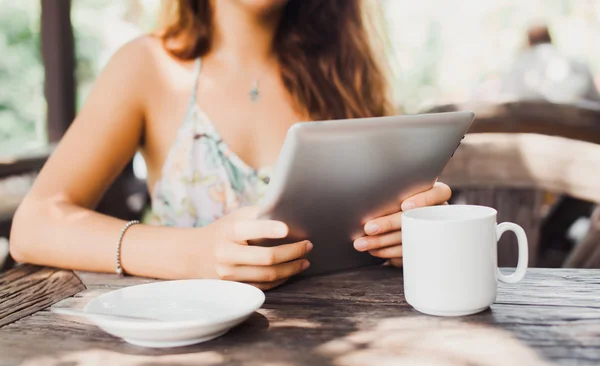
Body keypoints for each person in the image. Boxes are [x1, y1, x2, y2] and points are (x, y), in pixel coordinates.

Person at [10, 0, 451, 290]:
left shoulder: (345, 80)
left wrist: (410, 233)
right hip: (186, 352)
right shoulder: (146, 66)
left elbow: (377, 232)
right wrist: (192, 254)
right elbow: (32, 227)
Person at [498, 24, 600, 104]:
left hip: (527, 125)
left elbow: (505, 97)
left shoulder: (515, 67)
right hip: (575, 125)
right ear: (550, 38)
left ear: (528, 42)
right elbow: (595, 101)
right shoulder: (576, 62)